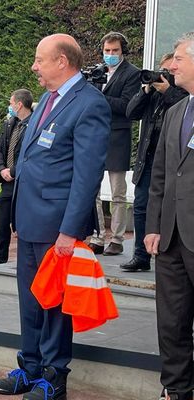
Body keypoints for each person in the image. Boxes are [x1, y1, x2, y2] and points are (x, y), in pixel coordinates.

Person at [0, 34, 111, 400]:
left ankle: (53, 375)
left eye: (39, 60)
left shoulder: (90, 104)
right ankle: (29, 366)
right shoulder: (47, 99)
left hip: (57, 226)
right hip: (29, 220)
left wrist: (68, 230)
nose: (34, 66)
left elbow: (87, 175)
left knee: (55, 303)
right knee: (30, 298)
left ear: (62, 61)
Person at [144, 31, 194, 400]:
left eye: (178, 58)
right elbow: (160, 174)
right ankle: (176, 389)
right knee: (172, 320)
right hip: (172, 236)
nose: (170, 66)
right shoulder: (176, 110)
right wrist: (153, 226)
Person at [121, 53, 188, 272]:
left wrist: (167, 90)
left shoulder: (182, 95)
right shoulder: (152, 94)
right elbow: (131, 112)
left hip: (172, 160)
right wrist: (145, 90)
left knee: (167, 206)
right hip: (147, 158)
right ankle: (140, 255)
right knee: (141, 207)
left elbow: (180, 106)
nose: (163, 76)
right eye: (161, 71)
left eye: (167, 72)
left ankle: (165, 250)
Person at [89, 32, 140, 256]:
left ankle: (117, 238)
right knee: (93, 191)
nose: (110, 55)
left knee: (118, 192)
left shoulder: (133, 73)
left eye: (115, 51)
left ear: (123, 51)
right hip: (95, 136)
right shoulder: (97, 72)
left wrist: (98, 96)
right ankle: (98, 235)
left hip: (118, 136)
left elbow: (127, 106)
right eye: (107, 51)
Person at [0, 89, 33, 265]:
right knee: (2, 225)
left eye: (11, 103)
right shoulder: (10, 124)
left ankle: (26, 260)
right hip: (7, 183)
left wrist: (14, 171)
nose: (9, 107)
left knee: (24, 225)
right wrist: (2, 169)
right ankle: (0, 259)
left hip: (24, 183)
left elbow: (31, 154)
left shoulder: (34, 125)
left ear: (19, 104)